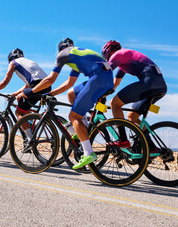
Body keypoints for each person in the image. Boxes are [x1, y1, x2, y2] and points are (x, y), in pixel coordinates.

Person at [17, 38, 114, 169]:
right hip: (107, 78)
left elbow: (50, 79)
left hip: (98, 79)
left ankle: (88, 152)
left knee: (73, 117)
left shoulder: (62, 55)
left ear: (60, 49)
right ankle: (83, 126)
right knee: (71, 94)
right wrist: (50, 94)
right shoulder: (76, 57)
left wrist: (31, 91)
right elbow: (69, 83)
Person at [102, 40, 167, 150]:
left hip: (149, 82)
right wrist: (104, 95)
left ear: (108, 52)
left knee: (115, 104)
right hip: (160, 86)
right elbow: (115, 83)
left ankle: (123, 140)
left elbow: (103, 73)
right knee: (132, 116)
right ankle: (152, 148)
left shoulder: (118, 54)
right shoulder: (124, 59)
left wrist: (95, 92)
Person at [0, 48, 50, 140]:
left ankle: (30, 140)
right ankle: (31, 124)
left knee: (19, 112)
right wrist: (14, 94)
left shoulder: (13, 62)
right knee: (20, 99)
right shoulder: (29, 62)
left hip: (36, 85)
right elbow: (26, 86)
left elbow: (5, 81)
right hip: (46, 85)